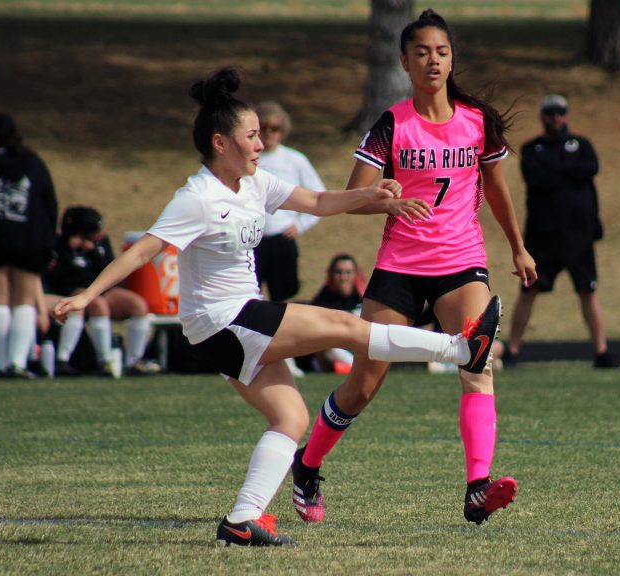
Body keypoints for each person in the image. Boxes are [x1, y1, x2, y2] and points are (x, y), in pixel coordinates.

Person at [52, 67, 501, 547]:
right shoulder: (197, 197)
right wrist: (85, 295)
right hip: (221, 321)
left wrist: (371, 195)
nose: (261, 144)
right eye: (251, 136)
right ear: (221, 144)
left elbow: (318, 201)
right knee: (343, 324)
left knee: (291, 419)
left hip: (236, 322)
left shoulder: (254, 183)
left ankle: (241, 520)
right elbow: (144, 250)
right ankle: (457, 349)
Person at [289, 9, 537, 528]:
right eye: (422, 52)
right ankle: (307, 467)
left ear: (453, 59)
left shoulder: (476, 122)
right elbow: (356, 196)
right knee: (363, 384)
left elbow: (496, 187)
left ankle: (476, 488)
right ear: (403, 61)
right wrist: (385, 201)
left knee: (477, 361)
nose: (433, 60)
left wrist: (518, 247)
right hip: (399, 268)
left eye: (442, 52)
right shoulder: (393, 123)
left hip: (460, 264)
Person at [504, 95, 619, 370]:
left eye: (560, 112)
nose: (556, 117)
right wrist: (569, 173)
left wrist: (558, 172)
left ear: (566, 115)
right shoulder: (533, 149)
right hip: (543, 234)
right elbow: (536, 178)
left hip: (578, 234)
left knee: (587, 289)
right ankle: (513, 350)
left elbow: (590, 168)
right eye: (550, 113)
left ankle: (601, 351)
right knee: (528, 289)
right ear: (542, 116)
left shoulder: (582, 144)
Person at [0, 113, 58, 378]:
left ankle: (4, 363)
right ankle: (18, 363)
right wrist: (50, 242)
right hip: (30, 241)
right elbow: (50, 204)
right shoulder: (33, 163)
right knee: (24, 301)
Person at [45, 206, 161, 376]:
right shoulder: (61, 244)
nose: (100, 232)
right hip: (76, 291)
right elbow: (57, 276)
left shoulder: (100, 243)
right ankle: (96, 361)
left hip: (102, 290)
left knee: (138, 305)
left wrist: (92, 251)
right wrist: (71, 250)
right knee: (98, 305)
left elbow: (109, 266)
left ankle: (133, 361)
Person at [252, 101, 324, 303]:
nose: (269, 133)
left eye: (274, 128)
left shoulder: (294, 159)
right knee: (248, 297)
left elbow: (319, 194)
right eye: (263, 129)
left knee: (283, 298)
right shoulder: (248, 159)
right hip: (250, 239)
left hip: (281, 238)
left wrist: (300, 224)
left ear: (282, 131)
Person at [303, 253, 366, 374]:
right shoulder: (323, 300)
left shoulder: (363, 298)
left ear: (355, 274)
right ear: (331, 274)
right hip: (329, 350)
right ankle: (357, 369)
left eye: (348, 272)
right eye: (338, 272)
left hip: (356, 349)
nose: (343, 277)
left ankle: (347, 367)